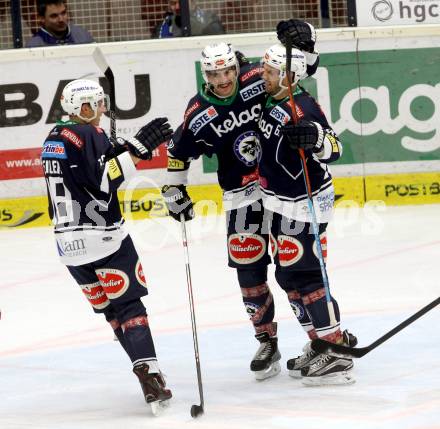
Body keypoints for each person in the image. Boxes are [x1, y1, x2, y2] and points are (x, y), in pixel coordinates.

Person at [161, 20, 323, 381]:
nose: (222, 80)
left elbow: (301, 71)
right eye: (214, 74)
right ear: (205, 73)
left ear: (237, 66)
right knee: (250, 273)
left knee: (294, 270)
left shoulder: (257, 78)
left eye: (227, 71)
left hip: (280, 191)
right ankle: (266, 340)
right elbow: (177, 152)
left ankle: (321, 338)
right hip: (240, 197)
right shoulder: (197, 113)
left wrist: (306, 43)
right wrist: (174, 189)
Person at [41, 79, 173, 411]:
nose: (100, 109)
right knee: (129, 307)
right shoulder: (92, 134)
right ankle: (149, 369)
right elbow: (104, 184)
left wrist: (118, 150)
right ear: (80, 108)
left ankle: (145, 371)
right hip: (104, 238)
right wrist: (139, 152)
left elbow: (85, 174)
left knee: (112, 313)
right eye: (94, 104)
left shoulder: (52, 138)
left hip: (67, 245)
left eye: (99, 103)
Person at [257, 43, 357, 385]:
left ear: (287, 77)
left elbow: (335, 148)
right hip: (280, 203)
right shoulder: (271, 99)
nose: (263, 76)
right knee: (289, 277)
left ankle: (335, 348)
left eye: (269, 72)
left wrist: (315, 139)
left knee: (308, 274)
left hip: (305, 203)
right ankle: (320, 341)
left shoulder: (303, 108)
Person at [26, 0, 94, 47]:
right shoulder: (34, 45)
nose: (61, 19)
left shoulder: (83, 35)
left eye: (63, 13)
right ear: (41, 18)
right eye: (54, 16)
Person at [152, 0, 224, 38]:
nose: (177, 7)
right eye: (173, 3)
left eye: (181, 2)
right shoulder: (164, 25)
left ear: (193, 2)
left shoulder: (210, 20)